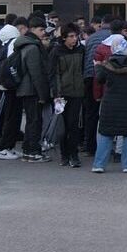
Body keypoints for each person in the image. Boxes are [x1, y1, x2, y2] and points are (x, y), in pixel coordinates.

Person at [92, 34, 127, 174]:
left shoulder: (107, 64)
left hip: (110, 103)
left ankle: (99, 164)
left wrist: (97, 67)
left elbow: (100, 79)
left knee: (106, 133)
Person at [15, 15, 51, 162]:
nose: (43, 32)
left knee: (32, 120)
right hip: (32, 90)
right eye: (41, 29)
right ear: (32, 29)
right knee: (35, 121)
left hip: (26, 89)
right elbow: (36, 73)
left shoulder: (24, 44)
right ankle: (33, 152)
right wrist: (43, 94)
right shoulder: (33, 47)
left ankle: (28, 150)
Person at [50, 23, 86, 167]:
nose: (74, 39)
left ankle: (74, 154)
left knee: (73, 125)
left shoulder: (81, 50)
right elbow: (54, 74)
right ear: (64, 37)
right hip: (61, 94)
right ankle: (64, 154)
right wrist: (57, 94)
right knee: (62, 126)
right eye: (71, 36)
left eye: (76, 36)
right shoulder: (56, 51)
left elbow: (84, 70)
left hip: (77, 92)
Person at [82, 14, 114, 156]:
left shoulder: (92, 37)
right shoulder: (114, 37)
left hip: (89, 75)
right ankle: (108, 146)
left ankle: (90, 145)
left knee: (90, 113)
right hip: (107, 76)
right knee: (108, 114)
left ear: (102, 23)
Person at [0, 24, 23, 160]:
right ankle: (3, 148)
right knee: (12, 118)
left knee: (12, 117)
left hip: (7, 86)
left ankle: (9, 147)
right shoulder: (13, 44)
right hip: (12, 87)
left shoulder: (3, 46)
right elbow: (14, 65)